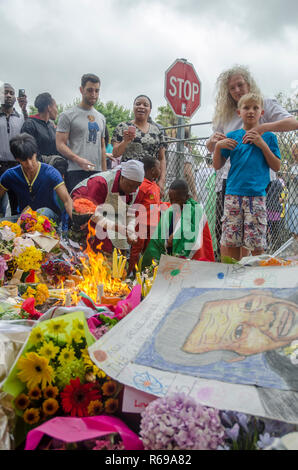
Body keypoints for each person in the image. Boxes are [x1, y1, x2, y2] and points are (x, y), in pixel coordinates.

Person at [206, 65, 298, 256]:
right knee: (229, 235)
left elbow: (293, 122)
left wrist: (262, 130)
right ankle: (231, 276)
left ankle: (251, 279)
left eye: (240, 85)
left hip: (258, 186)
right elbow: (215, 151)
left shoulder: (266, 104)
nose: (237, 90)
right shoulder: (227, 115)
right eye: (232, 88)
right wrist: (213, 143)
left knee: (254, 238)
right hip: (230, 183)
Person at [213, 93, 281, 261]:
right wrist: (217, 147)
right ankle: (233, 279)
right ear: (239, 112)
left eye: (255, 108)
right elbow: (217, 165)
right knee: (231, 242)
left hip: (256, 196)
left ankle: (257, 281)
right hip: (233, 195)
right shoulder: (232, 136)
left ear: (262, 113)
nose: (251, 111)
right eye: (246, 108)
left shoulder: (269, 137)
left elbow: (277, 166)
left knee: (257, 243)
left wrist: (262, 144)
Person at [71, 160, 144, 253]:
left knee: (116, 244)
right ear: (122, 177)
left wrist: (130, 229)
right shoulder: (101, 182)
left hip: (106, 210)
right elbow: (93, 215)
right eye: (130, 185)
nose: (133, 190)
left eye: (136, 186)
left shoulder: (134, 189)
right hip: (83, 209)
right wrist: (119, 228)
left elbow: (130, 212)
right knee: (88, 245)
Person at [0, 133, 73, 223]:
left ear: (35, 153)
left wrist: (76, 224)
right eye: (24, 160)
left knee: (42, 212)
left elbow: (67, 200)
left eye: (31, 158)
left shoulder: (50, 173)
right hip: (24, 219)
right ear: (17, 159)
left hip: (50, 219)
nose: (29, 163)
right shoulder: (11, 175)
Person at [142, 179, 215, 268]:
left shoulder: (196, 210)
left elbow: (191, 237)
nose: (173, 204)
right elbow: (158, 238)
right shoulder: (170, 211)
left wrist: (175, 237)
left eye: (177, 200)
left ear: (187, 197)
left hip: (193, 262)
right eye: (171, 200)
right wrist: (166, 241)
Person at [56, 73, 107, 193]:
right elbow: (60, 144)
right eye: (89, 90)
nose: (93, 94)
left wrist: (105, 173)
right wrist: (78, 160)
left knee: (98, 209)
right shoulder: (67, 115)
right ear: (81, 90)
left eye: (97, 91)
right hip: (75, 171)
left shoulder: (101, 117)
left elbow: (102, 146)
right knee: (78, 209)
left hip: (97, 172)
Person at [112, 95, 166, 194]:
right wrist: (126, 141)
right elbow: (115, 153)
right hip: (127, 182)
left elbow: (161, 158)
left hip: (149, 183)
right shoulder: (123, 127)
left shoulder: (157, 131)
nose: (141, 107)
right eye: (138, 104)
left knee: (148, 209)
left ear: (150, 110)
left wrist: (162, 180)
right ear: (133, 107)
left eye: (145, 105)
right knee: (123, 208)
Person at [128, 156, 169, 272]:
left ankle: (146, 272)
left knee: (150, 250)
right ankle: (131, 271)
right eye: (158, 168)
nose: (160, 171)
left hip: (153, 225)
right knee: (136, 248)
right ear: (152, 170)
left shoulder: (155, 186)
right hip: (141, 224)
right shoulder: (142, 186)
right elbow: (135, 204)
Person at [20, 92, 68, 177]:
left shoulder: (52, 127)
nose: (57, 110)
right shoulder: (30, 124)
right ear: (49, 107)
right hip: (37, 174)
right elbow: (28, 152)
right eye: (56, 107)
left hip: (54, 173)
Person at [0, 83, 28, 216]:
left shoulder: (21, 118)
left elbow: (29, 133)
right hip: (0, 165)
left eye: (11, 93)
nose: (9, 95)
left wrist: (24, 109)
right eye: (5, 92)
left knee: (17, 205)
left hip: (17, 167)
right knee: (1, 206)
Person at [286, 142, 298, 237]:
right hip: (291, 202)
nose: (293, 154)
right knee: (293, 232)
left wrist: (294, 177)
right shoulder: (294, 166)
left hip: (296, 203)